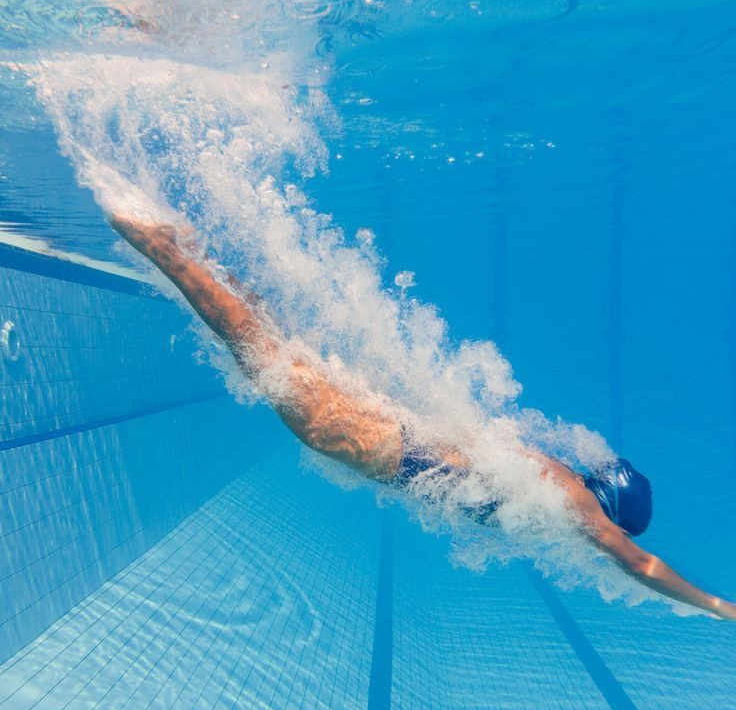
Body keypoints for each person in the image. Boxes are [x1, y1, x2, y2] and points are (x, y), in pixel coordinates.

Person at [110, 215, 736, 620]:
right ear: (614, 510)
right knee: (266, 363)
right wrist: (719, 607)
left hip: (398, 437)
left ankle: (194, 254)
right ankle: (171, 254)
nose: (608, 535)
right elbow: (638, 564)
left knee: (278, 357)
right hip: (391, 449)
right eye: (615, 526)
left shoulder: (560, 479)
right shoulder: (578, 503)